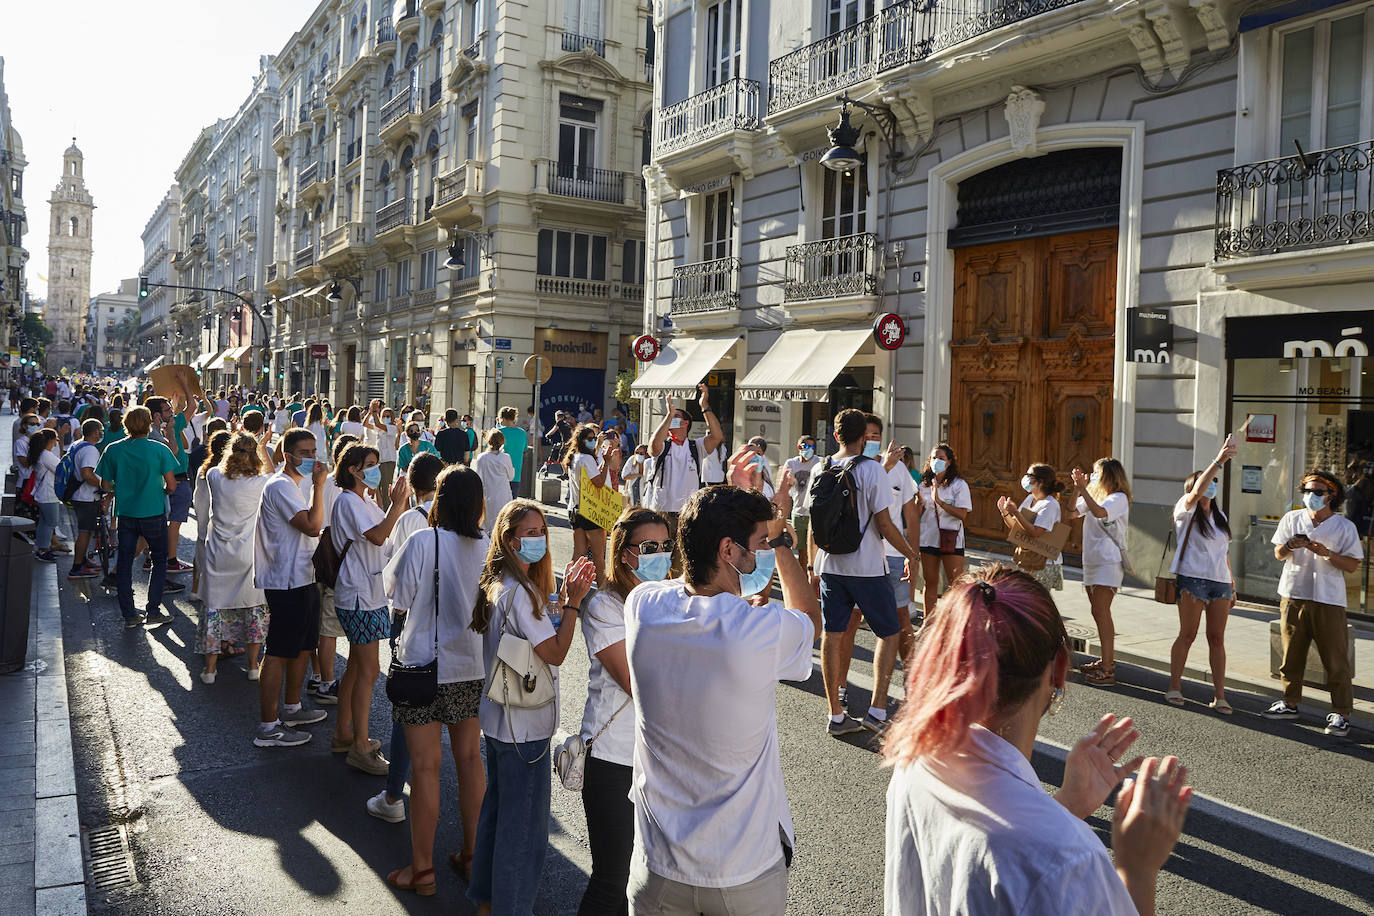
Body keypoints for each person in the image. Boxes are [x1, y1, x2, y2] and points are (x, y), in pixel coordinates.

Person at [882, 565, 1192, 916]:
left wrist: (1067, 804)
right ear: (1059, 668)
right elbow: (1028, 853)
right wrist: (1137, 871)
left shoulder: (916, 761)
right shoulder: (1067, 857)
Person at [624, 486, 819, 913]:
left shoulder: (642, 606)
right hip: (742, 874)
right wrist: (785, 541)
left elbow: (687, 587)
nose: (764, 553)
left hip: (656, 867)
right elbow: (809, 617)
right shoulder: (758, 630)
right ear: (728, 549)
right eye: (761, 544)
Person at [466, 502, 596, 914]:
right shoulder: (520, 593)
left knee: (499, 814)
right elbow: (555, 653)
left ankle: (486, 901)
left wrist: (558, 603)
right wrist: (574, 603)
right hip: (524, 726)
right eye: (532, 531)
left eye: (543, 529)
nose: (540, 537)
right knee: (523, 832)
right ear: (509, 538)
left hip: (501, 721)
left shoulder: (503, 583)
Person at [380, 467, 490, 895]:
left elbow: (400, 598)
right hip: (473, 670)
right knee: (470, 762)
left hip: (423, 667)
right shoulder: (489, 549)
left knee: (425, 769)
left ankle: (422, 871)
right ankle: (472, 855)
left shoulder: (424, 541)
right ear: (480, 504)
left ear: (439, 500)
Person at [577, 507, 672, 914]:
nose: (660, 555)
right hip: (613, 760)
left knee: (650, 878)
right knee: (612, 880)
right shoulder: (605, 607)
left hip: (658, 759)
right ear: (624, 553)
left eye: (667, 547)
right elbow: (637, 684)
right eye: (649, 547)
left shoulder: (671, 599)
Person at [809, 410, 922, 736]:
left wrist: (812, 562)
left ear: (835, 435)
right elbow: (886, 524)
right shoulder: (872, 470)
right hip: (868, 568)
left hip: (831, 566)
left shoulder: (822, 465)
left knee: (833, 634)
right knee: (888, 633)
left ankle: (836, 715)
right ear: (864, 438)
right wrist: (912, 555)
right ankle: (876, 709)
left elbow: (815, 522)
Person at [366, 451, 444, 823]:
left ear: (412, 485)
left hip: (412, 622)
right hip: (454, 634)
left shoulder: (412, 520)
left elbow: (394, 581)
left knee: (408, 709)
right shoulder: (463, 525)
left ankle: (395, 793)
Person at [330, 443, 410, 773]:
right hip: (359, 595)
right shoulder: (348, 501)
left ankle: (344, 734)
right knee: (368, 670)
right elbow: (378, 536)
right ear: (353, 470)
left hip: (370, 592)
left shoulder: (363, 499)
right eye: (371, 464)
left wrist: (396, 506)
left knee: (356, 668)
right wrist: (396, 504)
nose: (376, 469)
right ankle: (360, 746)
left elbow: (390, 534)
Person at [1265, 469, 1361, 737]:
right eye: (1307, 491)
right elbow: (1278, 553)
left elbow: (1353, 565)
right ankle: (1289, 701)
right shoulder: (1292, 518)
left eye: (1318, 492)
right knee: (1291, 654)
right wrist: (1291, 546)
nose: (1311, 496)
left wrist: (1327, 553)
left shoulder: (1345, 527)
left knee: (1335, 658)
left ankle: (1342, 713)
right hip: (1294, 593)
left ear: (1332, 495)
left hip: (1329, 600)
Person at [252, 428, 331, 748]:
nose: (312, 458)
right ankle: (268, 727)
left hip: (304, 576)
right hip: (286, 580)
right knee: (279, 650)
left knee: (303, 646)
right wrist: (320, 487)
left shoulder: (297, 485)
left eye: (314, 451)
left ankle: (292, 708)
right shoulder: (282, 486)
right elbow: (312, 525)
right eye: (305, 453)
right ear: (287, 455)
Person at [1166, 436, 1240, 714]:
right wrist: (1218, 460)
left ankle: (1220, 695)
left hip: (1220, 582)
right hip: (1192, 580)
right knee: (1188, 634)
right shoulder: (1185, 509)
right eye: (1207, 482)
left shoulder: (1219, 518)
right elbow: (1197, 492)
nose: (1212, 486)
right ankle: (1175, 686)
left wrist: (1232, 584)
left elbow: (1225, 553)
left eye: (1214, 483)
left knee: (1217, 638)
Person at [198, 433, 273, 684]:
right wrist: (262, 448)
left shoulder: (214, 477)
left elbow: (220, 467)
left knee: (214, 610)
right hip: (248, 553)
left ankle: (210, 670)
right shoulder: (260, 483)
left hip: (218, 554)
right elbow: (274, 476)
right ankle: (253, 667)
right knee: (253, 610)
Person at [96, 407, 179, 628]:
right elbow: (171, 484)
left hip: (126, 512)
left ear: (126, 424)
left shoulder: (113, 449)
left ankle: (130, 615)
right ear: (149, 424)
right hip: (153, 511)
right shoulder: (159, 449)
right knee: (159, 560)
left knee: (124, 562)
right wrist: (160, 492)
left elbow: (105, 485)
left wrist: (121, 487)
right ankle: (153, 610)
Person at [1067, 458, 1133, 686]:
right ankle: (1107, 660)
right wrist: (1077, 490)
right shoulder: (1094, 494)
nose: (1092, 476)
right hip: (1092, 561)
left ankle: (1107, 668)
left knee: (1101, 610)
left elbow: (1099, 513)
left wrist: (1084, 490)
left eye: (1096, 473)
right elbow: (1071, 513)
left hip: (1109, 562)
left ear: (1109, 476)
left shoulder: (1119, 498)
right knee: (1097, 612)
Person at [646, 384, 724, 532]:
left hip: (688, 513)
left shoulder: (696, 447)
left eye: (675, 416)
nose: (670, 419)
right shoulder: (665, 446)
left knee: (683, 555)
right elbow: (653, 446)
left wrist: (704, 406)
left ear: (685, 423)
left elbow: (717, 436)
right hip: (663, 513)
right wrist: (669, 416)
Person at [915, 443, 971, 617]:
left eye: (941, 458)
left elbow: (962, 514)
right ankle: (928, 624)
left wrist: (939, 501)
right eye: (933, 458)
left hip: (951, 538)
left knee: (956, 585)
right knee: (930, 583)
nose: (936, 461)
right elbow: (917, 515)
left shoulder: (958, 485)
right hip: (928, 538)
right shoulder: (924, 484)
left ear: (949, 462)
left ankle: (954, 624)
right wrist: (917, 503)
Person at [146, 393, 196, 578]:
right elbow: (172, 451)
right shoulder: (158, 432)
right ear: (157, 415)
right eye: (167, 410)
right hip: (174, 481)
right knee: (172, 523)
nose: (171, 413)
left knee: (156, 525)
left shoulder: (156, 429)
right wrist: (172, 432)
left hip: (167, 483)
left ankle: (151, 558)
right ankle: (170, 561)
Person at [565, 423, 620, 585]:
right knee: (598, 554)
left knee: (579, 553)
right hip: (590, 511)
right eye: (590, 439)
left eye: (594, 438)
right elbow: (599, 483)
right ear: (582, 440)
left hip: (575, 510)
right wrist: (607, 462)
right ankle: (603, 589)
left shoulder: (574, 457)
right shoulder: (587, 459)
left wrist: (602, 461)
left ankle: (567, 587)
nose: (593, 441)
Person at [999, 463, 1067, 593]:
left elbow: (1036, 532)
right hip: (1028, 559)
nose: (1025, 478)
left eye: (1029, 476)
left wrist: (1016, 513)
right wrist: (1005, 513)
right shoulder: (1031, 498)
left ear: (1040, 482)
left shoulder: (1050, 504)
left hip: (1043, 563)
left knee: (1037, 603)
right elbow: (1016, 526)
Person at [192, 430, 232, 603]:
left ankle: (195, 589)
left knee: (200, 560)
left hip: (203, 525)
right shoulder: (224, 474)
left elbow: (197, 498)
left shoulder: (204, 469)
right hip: (217, 529)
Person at [66, 418, 106, 580]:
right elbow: (87, 474)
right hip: (86, 497)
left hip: (79, 495)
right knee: (84, 532)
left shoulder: (77, 444)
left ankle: (83, 560)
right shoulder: (90, 450)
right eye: (100, 431)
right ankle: (76, 567)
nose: (102, 433)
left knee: (87, 531)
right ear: (96, 432)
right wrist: (104, 485)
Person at [777, 435, 823, 554]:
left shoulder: (819, 462)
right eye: (806, 446)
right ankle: (803, 572)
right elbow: (784, 485)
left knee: (814, 549)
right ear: (799, 447)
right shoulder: (792, 463)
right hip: (798, 512)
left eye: (812, 446)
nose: (809, 449)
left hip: (814, 512)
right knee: (800, 549)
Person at [29, 429, 64, 563]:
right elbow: (60, 469)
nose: (56, 442)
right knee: (50, 523)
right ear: (50, 441)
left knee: (44, 523)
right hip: (48, 495)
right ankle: (43, 550)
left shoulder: (40, 454)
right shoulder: (46, 456)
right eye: (56, 440)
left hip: (42, 494)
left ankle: (43, 549)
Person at [474, 429, 514, 533]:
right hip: (503, 495)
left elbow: (478, 477)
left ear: (488, 442)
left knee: (486, 526)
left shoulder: (481, 457)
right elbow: (511, 477)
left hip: (486, 495)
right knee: (502, 524)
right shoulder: (506, 457)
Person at [497, 406, 528, 500]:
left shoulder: (498, 432)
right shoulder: (522, 433)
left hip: (499, 474)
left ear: (501, 418)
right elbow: (524, 449)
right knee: (511, 505)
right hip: (516, 475)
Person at [306, 402, 329, 467]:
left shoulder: (308, 427)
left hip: (310, 455)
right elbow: (324, 441)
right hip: (321, 456)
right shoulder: (320, 427)